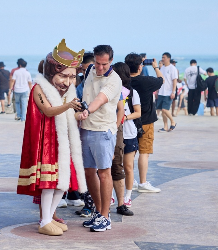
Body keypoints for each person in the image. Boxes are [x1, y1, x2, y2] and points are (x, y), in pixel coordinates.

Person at [17, 39, 87, 236]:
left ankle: (48, 218)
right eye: (63, 76)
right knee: (49, 183)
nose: (67, 81)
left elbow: (67, 114)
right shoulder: (39, 88)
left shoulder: (66, 91)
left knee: (62, 183)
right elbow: (48, 111)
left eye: (72, 77)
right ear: (51, 72)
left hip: (62, 141)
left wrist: (78, 115)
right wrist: (69, 106)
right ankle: (45, 220)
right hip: (46, 142)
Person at [77, 45, 121, 232]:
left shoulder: (114, 79)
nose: (100, 67)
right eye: (97, 63)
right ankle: (97, 211)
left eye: (104, 64)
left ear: (110, 61)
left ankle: (105, 215)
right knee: (89, 172)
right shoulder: (89, 70)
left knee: (104, 173)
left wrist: (87, 109)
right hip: (86, 128)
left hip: (103, 130)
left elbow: (100, 99)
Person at [126, 53, 163, 193]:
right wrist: (156, 67)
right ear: (140, 67)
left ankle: (132, 180)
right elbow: (161, 80)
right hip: (146, 121)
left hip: (129, 120)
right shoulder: (146, 81)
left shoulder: (124, 81)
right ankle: (142, 182)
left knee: (130, 151)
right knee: (144, 152)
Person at [111, 62, 133, 216]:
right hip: (99, 128)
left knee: (117, 166)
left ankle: (121, 203)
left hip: (115, 129)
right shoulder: (90, 83)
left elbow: (121, 110)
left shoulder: (123, 91)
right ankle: (98, 205)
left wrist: (116, 127)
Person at [157, 52, 177, 132]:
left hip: (168, 92)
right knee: (162, 111)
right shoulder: (162, 68)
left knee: (165, 109)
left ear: (168, 58)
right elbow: (160, 80)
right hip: (161, 92)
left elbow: (174, 80)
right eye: (162, 57)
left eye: (164, 57)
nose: (162, 59)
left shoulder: (172, 68)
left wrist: (173, 92)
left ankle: (173, 121)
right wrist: (157, 91)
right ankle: (165, 127)